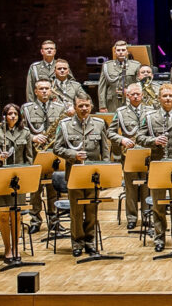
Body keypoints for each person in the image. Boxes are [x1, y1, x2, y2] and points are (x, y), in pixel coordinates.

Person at [137, 83, 172, 253]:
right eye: (165, 96)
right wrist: (152, 141)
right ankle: (159, 238)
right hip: (158, 167)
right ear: (159, 98)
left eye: (170, 96)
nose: (168, 98)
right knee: (158, 206)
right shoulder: (149, 117)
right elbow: (139, 137)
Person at [52, 91, 110, 257]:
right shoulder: (65, 125)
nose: (84, 109)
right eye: (80, 106)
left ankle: (90, 242)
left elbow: (105, 151)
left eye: (87, 105)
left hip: (94, 176)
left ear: (91, 106)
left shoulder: (99, 124)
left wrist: (105, 172)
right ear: (75, 107)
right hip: (75, 174)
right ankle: (77, 242)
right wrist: (73, 155)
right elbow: (57, 148)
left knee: (91, 210)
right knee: (77, 212)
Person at [21, 79, 72, 234]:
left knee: (53, 188)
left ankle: (54, 220)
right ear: (35, 91)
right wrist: (32, 137)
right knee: (35, 189)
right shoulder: (27, 108)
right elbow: (19, 129)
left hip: (53, 153)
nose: (44, 91)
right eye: (41, 89)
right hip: (34, 153)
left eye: (47, 88)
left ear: (51, 90)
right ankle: (35, 219)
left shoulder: (60, 107)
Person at [0, 103, 34, 263]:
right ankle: (7, 248)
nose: (13, 116)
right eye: (10, 113)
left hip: (18, 178)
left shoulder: (25, 132)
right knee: (4, 215)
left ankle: (16, 248)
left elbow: (29, 157)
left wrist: (28, 176)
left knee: (16, 214)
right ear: (4, 116)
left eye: (15, 114)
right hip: (0, 176)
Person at [106, 82, 149, 231]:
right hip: (128, 154)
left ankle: (146, 216)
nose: (136, 96)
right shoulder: (121, 111)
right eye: (133, 94)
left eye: (138, 94)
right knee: (130, 188)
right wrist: (122, 139)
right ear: (127, 96)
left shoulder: (150, 111)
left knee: (146, 186)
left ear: (143, 95)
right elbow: (110, 132)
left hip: (146, 154)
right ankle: (131, 218)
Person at [97, 40, 140, 114]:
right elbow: (102, 87)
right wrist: (102, 106)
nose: (121, 52)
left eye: (123, 50)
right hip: (112, 102)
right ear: (115, 52)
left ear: (127, 52)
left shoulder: (135, 65)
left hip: (130, 100)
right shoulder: (107, 66)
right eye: (118, 50)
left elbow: (139, 85)